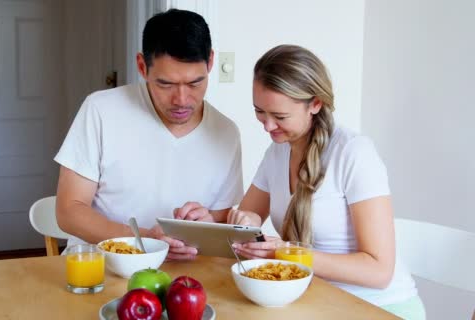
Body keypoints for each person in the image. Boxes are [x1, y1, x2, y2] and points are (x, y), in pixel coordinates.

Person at [178, 44, 425, 319]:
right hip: (314, 300)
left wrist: (286, 252)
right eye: (260, 111)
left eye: (280, 116)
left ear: (315, 104)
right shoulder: (277, 151)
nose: (268, 126)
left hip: (379, 308)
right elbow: (248, 216)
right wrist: (217, 222)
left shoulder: (354, 153)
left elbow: (379, 271)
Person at [54, 9, 243, 260]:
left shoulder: (225, 133)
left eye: (195, 83)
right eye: (165, 84)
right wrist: (142, 240)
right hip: (101, 269)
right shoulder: (101, 110)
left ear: (210, 62)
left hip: (183, 277)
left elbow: (222, 216)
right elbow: (69, 211)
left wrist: (207, 222)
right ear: (142, 66)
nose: (182, 100)